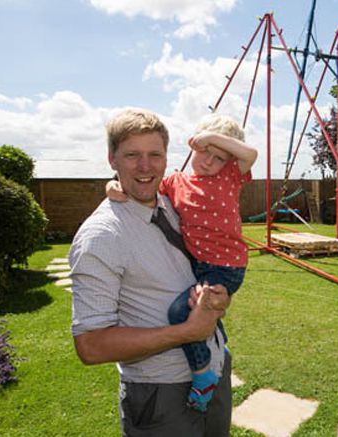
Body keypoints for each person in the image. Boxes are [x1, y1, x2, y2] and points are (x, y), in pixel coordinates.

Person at [69, 108, 232, 436]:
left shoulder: (171, 204)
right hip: (161, 393)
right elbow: (90, 345)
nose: (145, 167)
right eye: (132, 155)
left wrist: (217, 298)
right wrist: (187, 331)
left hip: (215, 369)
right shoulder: (101, 236)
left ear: (166, 157)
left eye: (154, 155)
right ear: (112, 159)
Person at [106, 113, 257, 411]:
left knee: (180, 313)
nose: (208, 161)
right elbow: (142, 186)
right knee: (201, 311)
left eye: (218, 156)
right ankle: (214, 352)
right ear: (193, 147)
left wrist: (211, 139)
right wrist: (111, 186)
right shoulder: (176, 182)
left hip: (226, 266)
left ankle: (203, 375)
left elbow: (250, 153)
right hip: (198, 265)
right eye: (204, 153)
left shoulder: (230, 177)